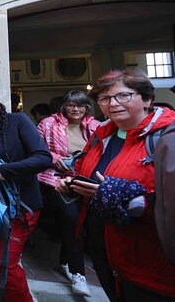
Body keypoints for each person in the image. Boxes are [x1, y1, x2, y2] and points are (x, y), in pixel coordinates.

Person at [56, 68, 175, 301]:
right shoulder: (102, 133)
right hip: (107, 252)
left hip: (149, 256)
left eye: (123, 96)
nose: (113, 104)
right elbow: (83, 170)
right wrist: (72, 183)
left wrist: (121, 196)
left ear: (147, 99)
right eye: (105, 98)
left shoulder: (166, 137)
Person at [0, 91, 52, 302]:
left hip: (22, 207)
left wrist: (6, 170)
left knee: (2, 263)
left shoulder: (18, 122)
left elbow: (43, 158)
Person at [36, 90, 100, 296]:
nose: (76, 109)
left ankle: (65, 261)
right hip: (55, 179)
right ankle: (78, 273)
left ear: (86, 108)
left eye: (80, 106)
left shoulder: (96, 126)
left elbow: (103, 151)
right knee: (71, 219)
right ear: (64, 106)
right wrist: (54, 157)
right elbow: (36, 148)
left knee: (80, 223)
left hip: (84, 179)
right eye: (72, 105)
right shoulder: (48, 124)